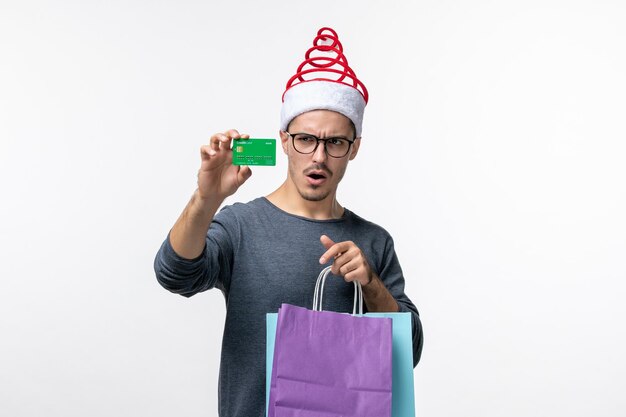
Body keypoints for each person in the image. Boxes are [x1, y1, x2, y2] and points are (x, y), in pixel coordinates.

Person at [153, 27, 423, 417]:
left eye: (335, 143)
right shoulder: (243, 225)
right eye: (305, 139)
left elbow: (408, 351)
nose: (318, 156)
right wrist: (207, 198)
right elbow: (173, 273)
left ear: (354, 148)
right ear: (283, 139)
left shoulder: (374, 241)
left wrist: (372, 286)